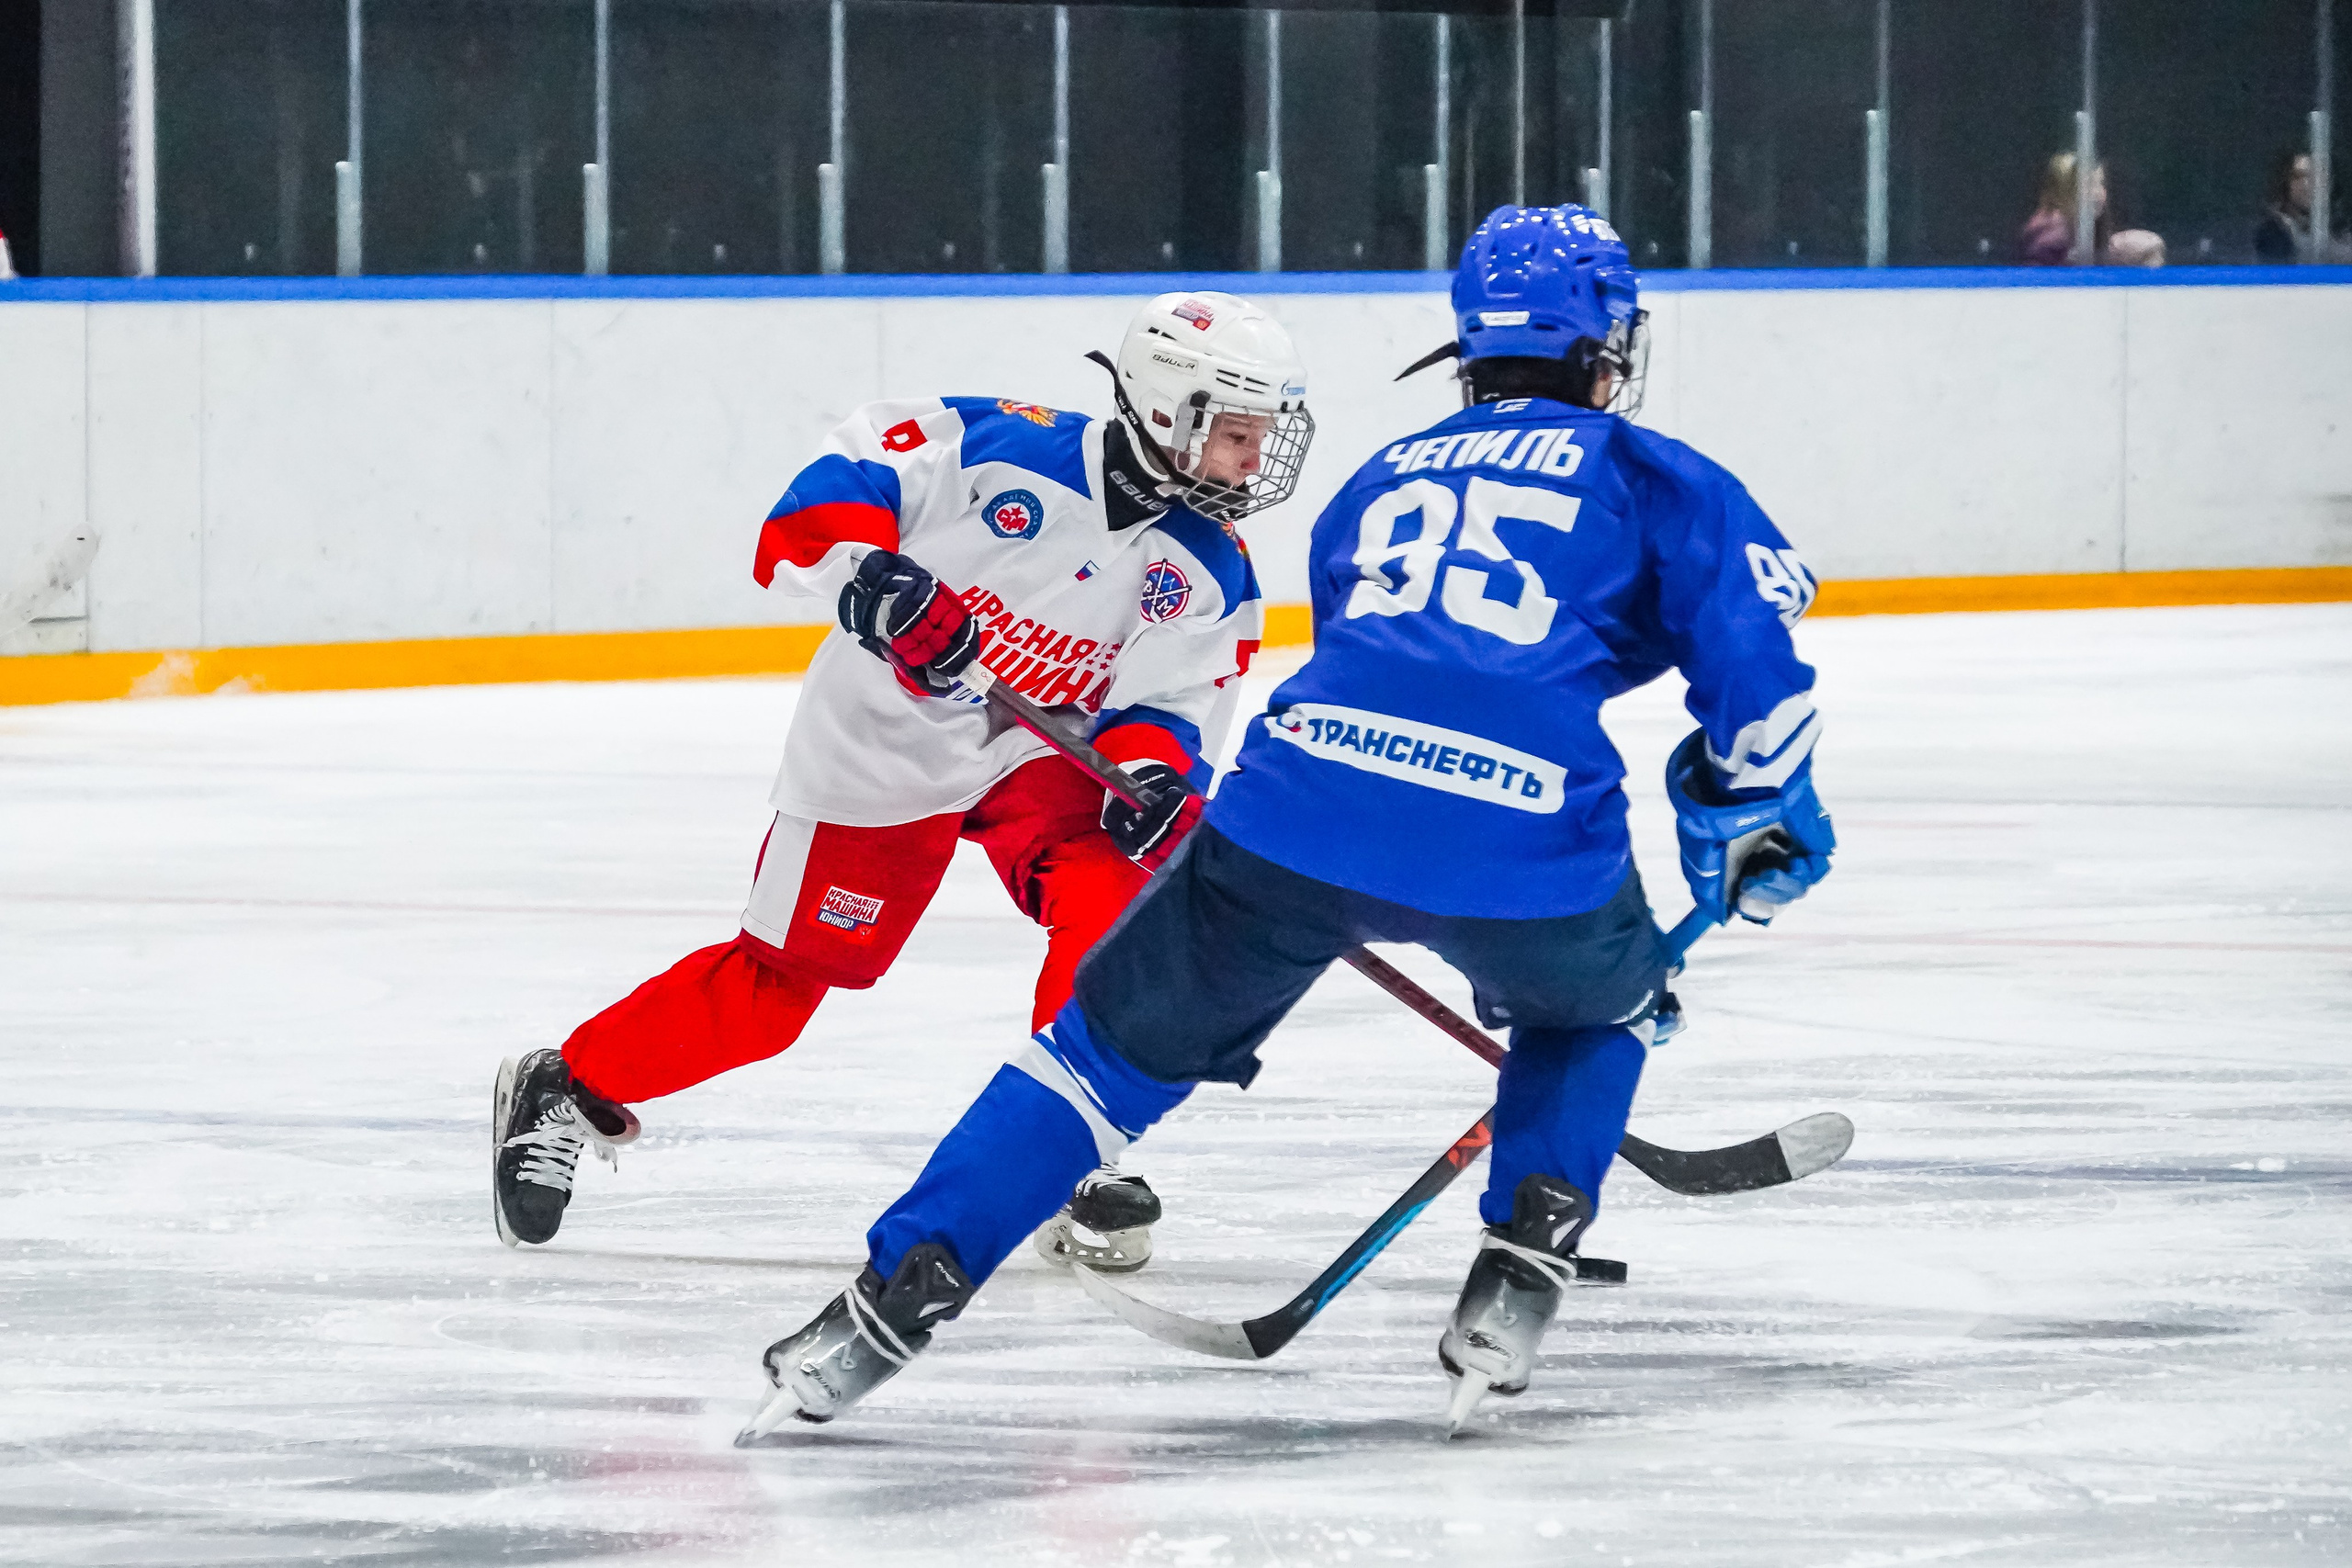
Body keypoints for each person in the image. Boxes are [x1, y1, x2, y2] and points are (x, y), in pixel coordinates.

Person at [738, 204, 1836, 1440]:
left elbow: (1391, 659)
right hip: (1523, 834)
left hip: (1289, 810)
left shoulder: (1386, 475)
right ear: (1608, 349)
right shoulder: (1661, 477)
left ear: (1469, 347)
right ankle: (1526, 1254)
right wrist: (1750, 815)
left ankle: (883, 1303)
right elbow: (1754, 675)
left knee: (1094, 1058)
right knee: (1600, 1002)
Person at [491, 290, 1316, 1274]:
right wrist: (868, 576)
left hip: (1037, 758)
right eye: (1234, 434)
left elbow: (1167, 708)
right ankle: (569, 1082)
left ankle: (1073, 1147)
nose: (1251, 461)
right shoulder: (997, 445)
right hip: (886, 743)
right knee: (776, 994)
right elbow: (840, 483)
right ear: (1167, 408)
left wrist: (1152, 778)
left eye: (1259, 437)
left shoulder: (1209, 568)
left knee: (1113, 911)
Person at [2018, 152, 2165, 267]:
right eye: (2088, 184)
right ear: (2062, 190)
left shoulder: (2085, 227)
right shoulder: (2053, 229)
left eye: (2100, 184)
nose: (2097, 192)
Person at [2254, 150, 2351, 265]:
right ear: (2286, 183)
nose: (2305, 185)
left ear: (2330, 182)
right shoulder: (2271, 233)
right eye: (2298, 177)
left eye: (2315, 176)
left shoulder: (2343, 230)